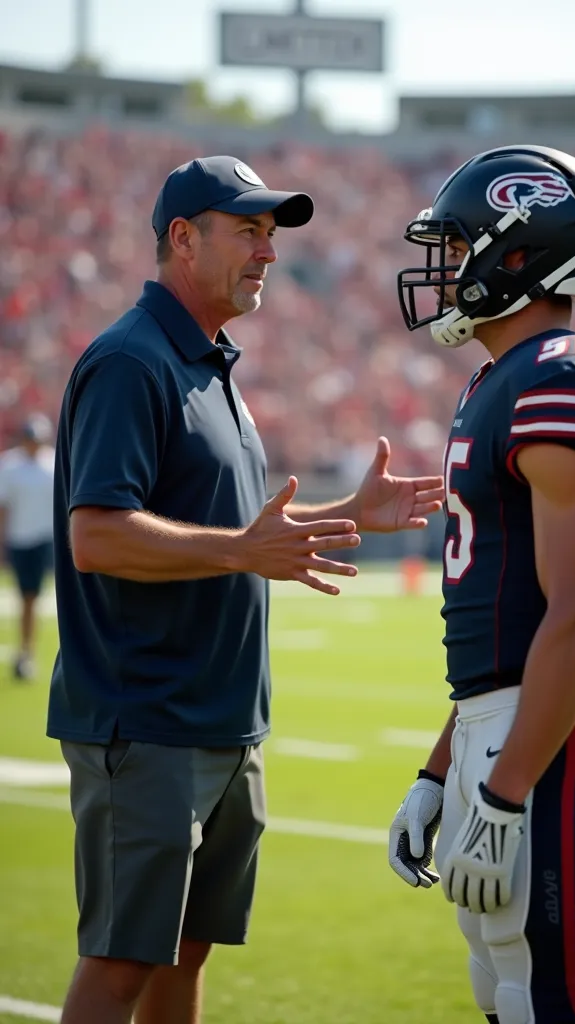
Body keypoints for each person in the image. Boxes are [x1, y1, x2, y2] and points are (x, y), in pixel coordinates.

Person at [47, 154, 444, 1024]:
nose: (268, 252)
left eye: (272, 234)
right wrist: (239, 549)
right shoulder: (129, 361)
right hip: (146, 721)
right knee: (119, 965)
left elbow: (234, 532)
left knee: (185, 959)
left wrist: (350, 514)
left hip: (225, 721)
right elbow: (95, 534)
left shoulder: (209, 361)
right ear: (183, 238)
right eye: (249, 232)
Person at [388, 144, 575, 1024]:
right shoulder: (499, 379)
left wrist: (503, 792)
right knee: (503, 992)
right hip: (504, 720)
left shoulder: (564, 373)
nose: (441, 269)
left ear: (516, 254)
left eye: (455, 246)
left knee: (549, 1001)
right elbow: (506, 618)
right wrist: (444, 764)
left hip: (552, 730)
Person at [0, 413, 55, 680]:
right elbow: (3, 506)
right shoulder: (10, 464)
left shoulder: (53, 463)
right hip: (19, 539)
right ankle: (25, 651)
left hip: (46, 540)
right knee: (27, 598)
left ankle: (27, 652)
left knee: (33, 598)